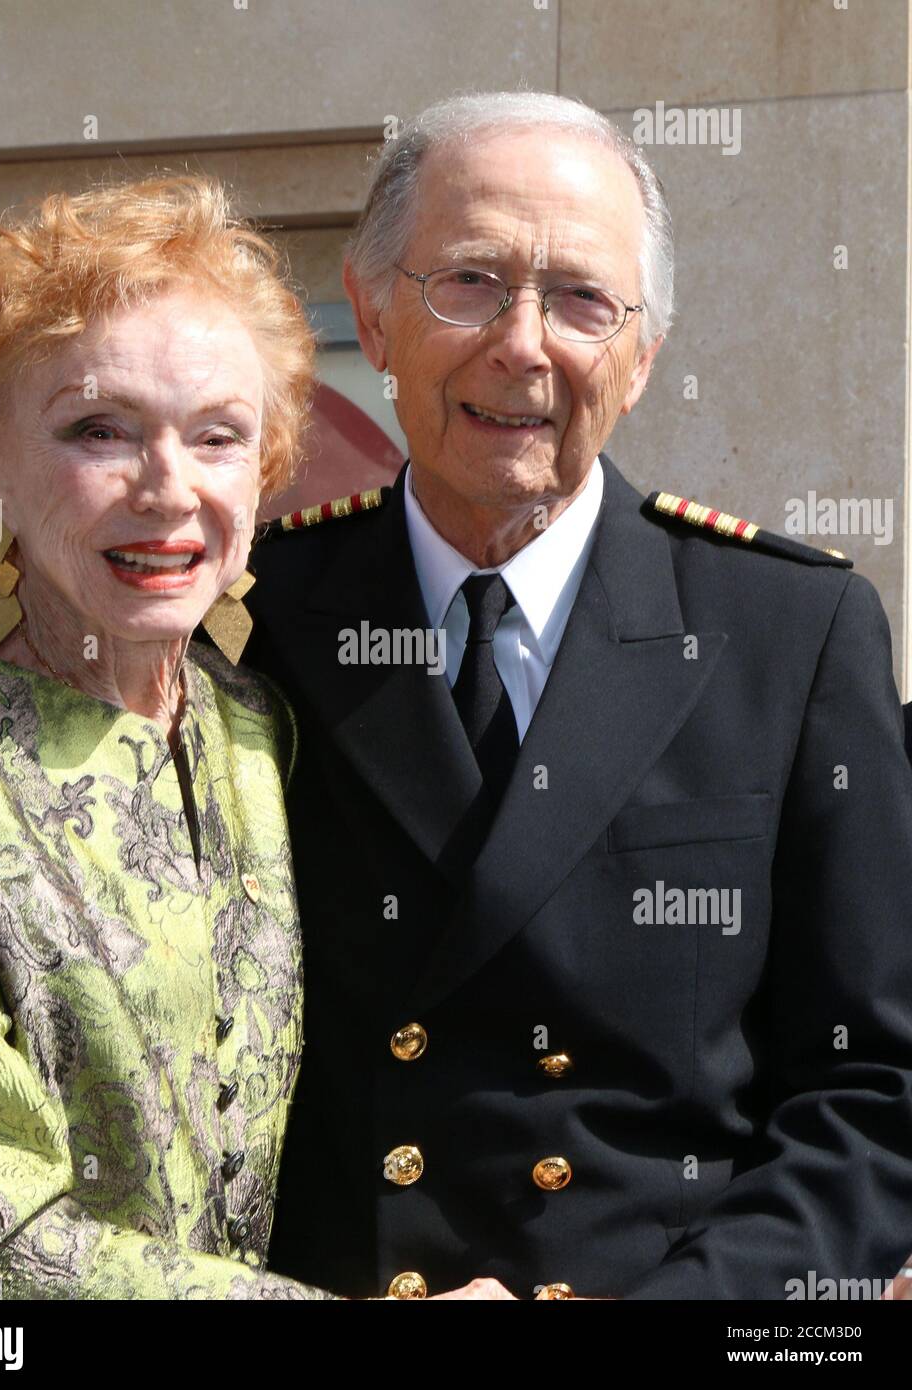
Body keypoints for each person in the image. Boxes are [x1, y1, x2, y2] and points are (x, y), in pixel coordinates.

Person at [242, 91, 912, 1300]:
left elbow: (871, 1089)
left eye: (582, 302)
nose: (523, 343)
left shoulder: (788, 632)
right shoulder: (250, 622)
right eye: (469, 282)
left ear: (642, 357)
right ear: (373, 316)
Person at [0, 175, 344, 1300]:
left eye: (218, 437)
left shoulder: (250, 730)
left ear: (266, 468)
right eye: (100, 429)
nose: (168, 489)